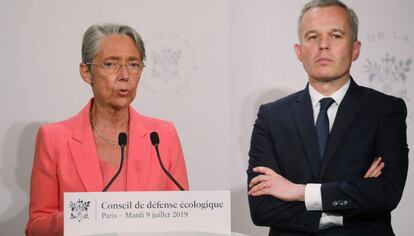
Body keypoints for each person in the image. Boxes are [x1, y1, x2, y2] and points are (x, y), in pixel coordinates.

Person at [247, 0, 408, 235]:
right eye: (312, 37)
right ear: (299, 51)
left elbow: (386, 192)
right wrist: (350, 200)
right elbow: (262, 208)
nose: (323, 45)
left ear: (355, 49)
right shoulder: (272, 116)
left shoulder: (385, 110)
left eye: (336, 35)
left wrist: (299, 192)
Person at [25, 23, 189, 236]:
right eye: (111, 64)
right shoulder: (54, 138)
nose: (124, 75)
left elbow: (184, 216)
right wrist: (82, 216)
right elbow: (36, 228)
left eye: (133, 65)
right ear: (86, 72)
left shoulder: (162, 136)